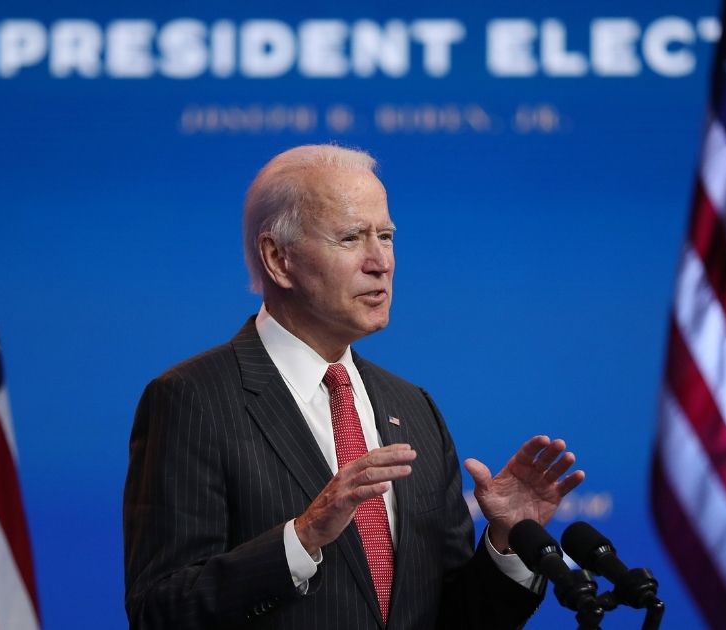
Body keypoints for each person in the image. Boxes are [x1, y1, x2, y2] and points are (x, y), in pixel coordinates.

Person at [123, 145, 585, 629]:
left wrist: (506, 541)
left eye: (386, 236)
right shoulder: (193, 399)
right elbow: (161, 611)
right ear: (278, 259)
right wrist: (301, 539)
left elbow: (454, 618)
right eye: (351, 238)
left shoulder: (414, 408)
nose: (380, 261)